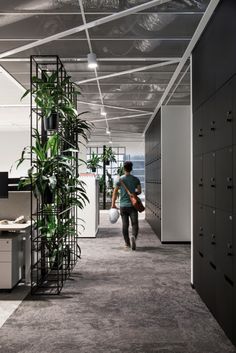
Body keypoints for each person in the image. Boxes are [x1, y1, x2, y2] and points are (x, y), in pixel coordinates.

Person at [112, 161, 142, 250]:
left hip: (123, 205)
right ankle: (133, 237)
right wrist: (134, 193)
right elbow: (139, 191)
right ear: (131, 168)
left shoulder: (120, 179)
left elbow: (115, 192)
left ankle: (127, 243)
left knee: (125, 225)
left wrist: (113, 204)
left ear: (124, 168)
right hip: (133, 205)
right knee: (135, 223)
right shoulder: (136, 179)